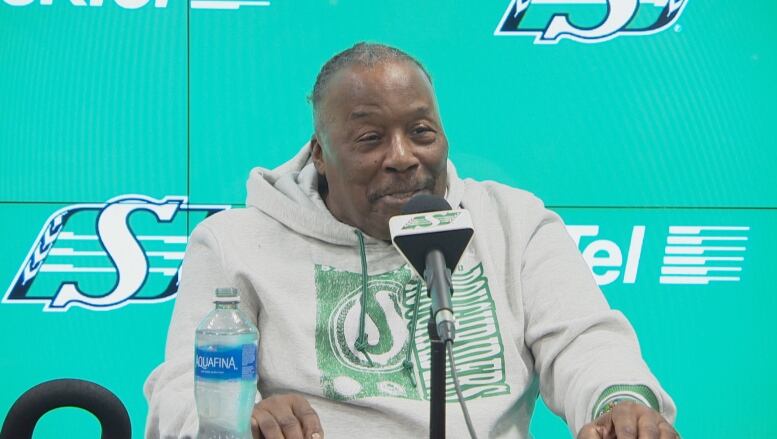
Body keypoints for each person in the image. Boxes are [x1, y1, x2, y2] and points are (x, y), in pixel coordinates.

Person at [144, 42, 679, 439]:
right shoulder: (233, 243)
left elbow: (586, 344)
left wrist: (620, 403)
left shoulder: (514, 222)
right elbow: (179, 396)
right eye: (370, 139)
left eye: (421, 132)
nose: (402, 156)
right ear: (320, 156)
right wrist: (238, 425)